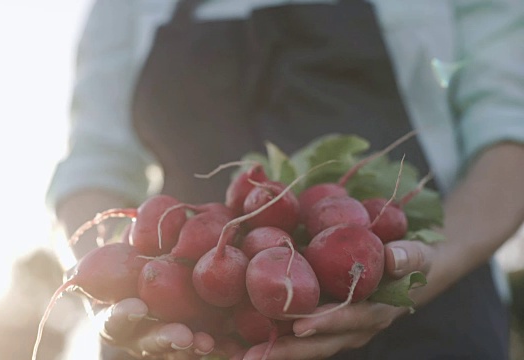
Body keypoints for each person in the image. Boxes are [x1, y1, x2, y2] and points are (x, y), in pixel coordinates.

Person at [46, 0, 524, 359]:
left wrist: (427, 268)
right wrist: (113, 282)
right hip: (193, 333)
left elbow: (512, 134)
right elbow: (95, 162)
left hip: (431, 314)